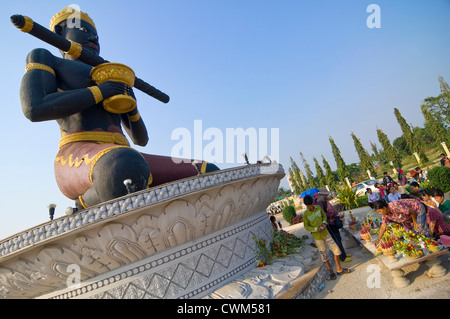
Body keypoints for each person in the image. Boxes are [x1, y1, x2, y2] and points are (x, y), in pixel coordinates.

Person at [19, 7, 219, 210]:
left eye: (96, 35)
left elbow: (140, 140)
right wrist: (99, 92)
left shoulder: (109, 74)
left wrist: (131, 106)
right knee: (121, 168)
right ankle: (84, 202)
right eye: (82, 29)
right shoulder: (46, 58)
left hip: (125, 152)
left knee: (206, 170)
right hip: (77, 155)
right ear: (60, 33)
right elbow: (34, 108)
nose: (93, 38)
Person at [303, 195, 352, 280]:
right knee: (324, 255)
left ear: (313, 203)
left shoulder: (318, 208)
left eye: (311, 204)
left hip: (326, 234)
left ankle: (339, 269)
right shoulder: (305, 215)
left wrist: (324, 223)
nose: (311, 207)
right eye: (309, 206)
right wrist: (315, 229)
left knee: (337, 250)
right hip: (318, 237)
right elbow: (306, 227)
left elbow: (324, 216)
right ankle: (331, 272)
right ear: (306, 206)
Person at [316, 188, 351, 263]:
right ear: (323, 195)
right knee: (337, 240)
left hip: (333, 222)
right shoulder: (320, 203)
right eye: (326, 194)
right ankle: (342, 258)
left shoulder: (324, 201)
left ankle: (343, 254)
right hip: (329, 224)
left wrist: (335, 213)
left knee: (338, 238)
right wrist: (331, 214)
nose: (328, 195)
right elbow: (323, 214)